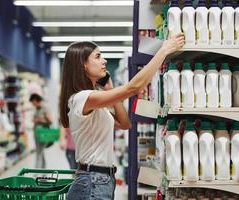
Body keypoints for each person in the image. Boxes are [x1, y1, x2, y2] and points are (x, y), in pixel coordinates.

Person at [59, 33, 185, 200]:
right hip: (93, 181)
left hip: (100, 180)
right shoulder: (83, 98)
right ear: (83, 65)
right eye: (98, 56)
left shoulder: (94, 102)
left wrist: (110, 90)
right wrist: (163, 51)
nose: (104, 61)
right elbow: (133, 88)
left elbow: (125, 124)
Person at [30, 93, 53, 169]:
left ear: (36, 100)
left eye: (33, 102)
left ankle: (36, 171)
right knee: (40, 152)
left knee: (39, 152)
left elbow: (50, 121)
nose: (33, 104)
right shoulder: (36, 109)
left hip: (44, 133)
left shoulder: (45, 108)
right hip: (37, 134)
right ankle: (43, 169)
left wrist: (38, 120)